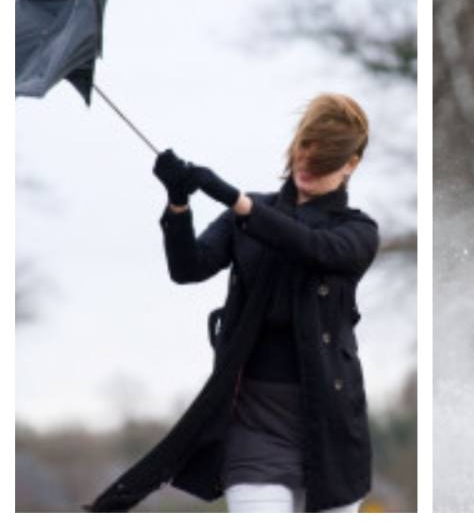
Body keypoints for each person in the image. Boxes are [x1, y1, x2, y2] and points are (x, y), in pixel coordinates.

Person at [87, 94, 379, 513]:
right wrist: (178, 203)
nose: (307, 166)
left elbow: (313, 248)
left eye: (325, 160)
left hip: (330, 430)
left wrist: (236, 200)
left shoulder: (357, 231)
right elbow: (188, 267)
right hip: (253, 426)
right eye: (304, 150)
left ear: (351, 164)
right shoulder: (248, 215)